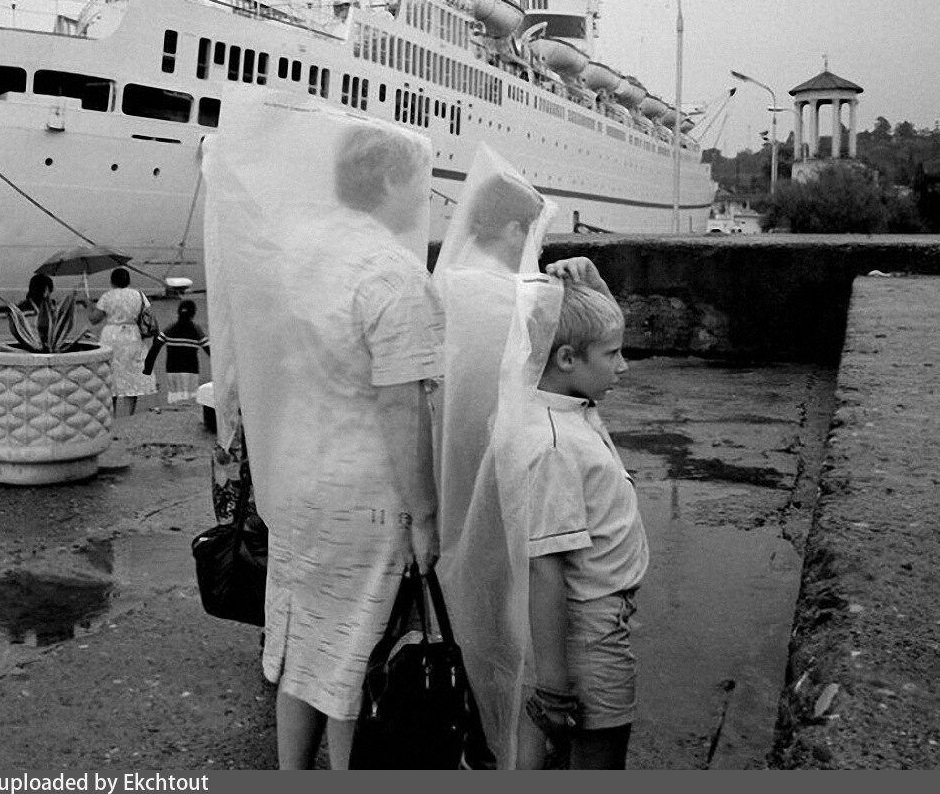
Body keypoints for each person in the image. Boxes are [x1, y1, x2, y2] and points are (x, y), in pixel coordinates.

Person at [200, 98, 443, 771]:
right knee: (354, 658)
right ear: (393, 183)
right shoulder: (394, 274)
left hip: (297, 483)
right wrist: (425, 518)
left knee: (300, 644)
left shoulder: (298, 252)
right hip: (365, 495)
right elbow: (402, 409)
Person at [430, 146, 556, 768]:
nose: (531, 247)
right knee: (504, 621)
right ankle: (497, 743)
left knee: (459, 616)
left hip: (445, 471)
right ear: (509, 229)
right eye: (528, 234)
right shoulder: (513, 296)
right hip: (498, 476)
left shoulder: (447, 285)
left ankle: (469, 736)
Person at [516, 257, 649, 770]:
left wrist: (594, 291)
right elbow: (543, 566)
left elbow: (589, 335)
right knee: (600, 752)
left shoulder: (564, 403)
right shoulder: (552, 445)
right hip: (589, 626)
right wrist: (553, 683)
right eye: (614, 354)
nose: (624, 366)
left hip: (593, 615)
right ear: (568, 358)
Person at [88, 266, 158, 417]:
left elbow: (94, 319)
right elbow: (148, 315)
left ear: (112, 282)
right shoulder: (139, 295)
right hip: (132, 335)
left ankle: (112, 415)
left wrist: (89, 307)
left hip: (110, 336)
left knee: (110, 375)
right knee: (131, 375)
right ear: (128, 280)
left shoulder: (107, 296)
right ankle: (129, 415)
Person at [143, 299, 209, 405]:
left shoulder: (170, 329)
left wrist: (147, 369)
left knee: (175, 398)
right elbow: (209, 350)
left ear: (178, 312)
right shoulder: (196, 330)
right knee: (190, 399)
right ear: (193, 313)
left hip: (173, 370)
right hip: (191, 371)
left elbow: (154, 349)